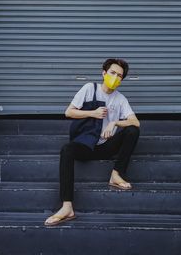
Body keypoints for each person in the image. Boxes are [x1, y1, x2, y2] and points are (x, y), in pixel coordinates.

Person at [44, 58, 140, 226]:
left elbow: (135, 122)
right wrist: (92, 113)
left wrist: (114, 122)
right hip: (86, 144)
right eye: (112, 73)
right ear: (104, 73)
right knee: (67, 150)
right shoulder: (90, 88)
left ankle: (116, 174)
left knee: (132, 130)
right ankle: (67, 206)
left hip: (106, 146)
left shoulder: (120, 99)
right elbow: (69, 112)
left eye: (119, 76)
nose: (115, 77)